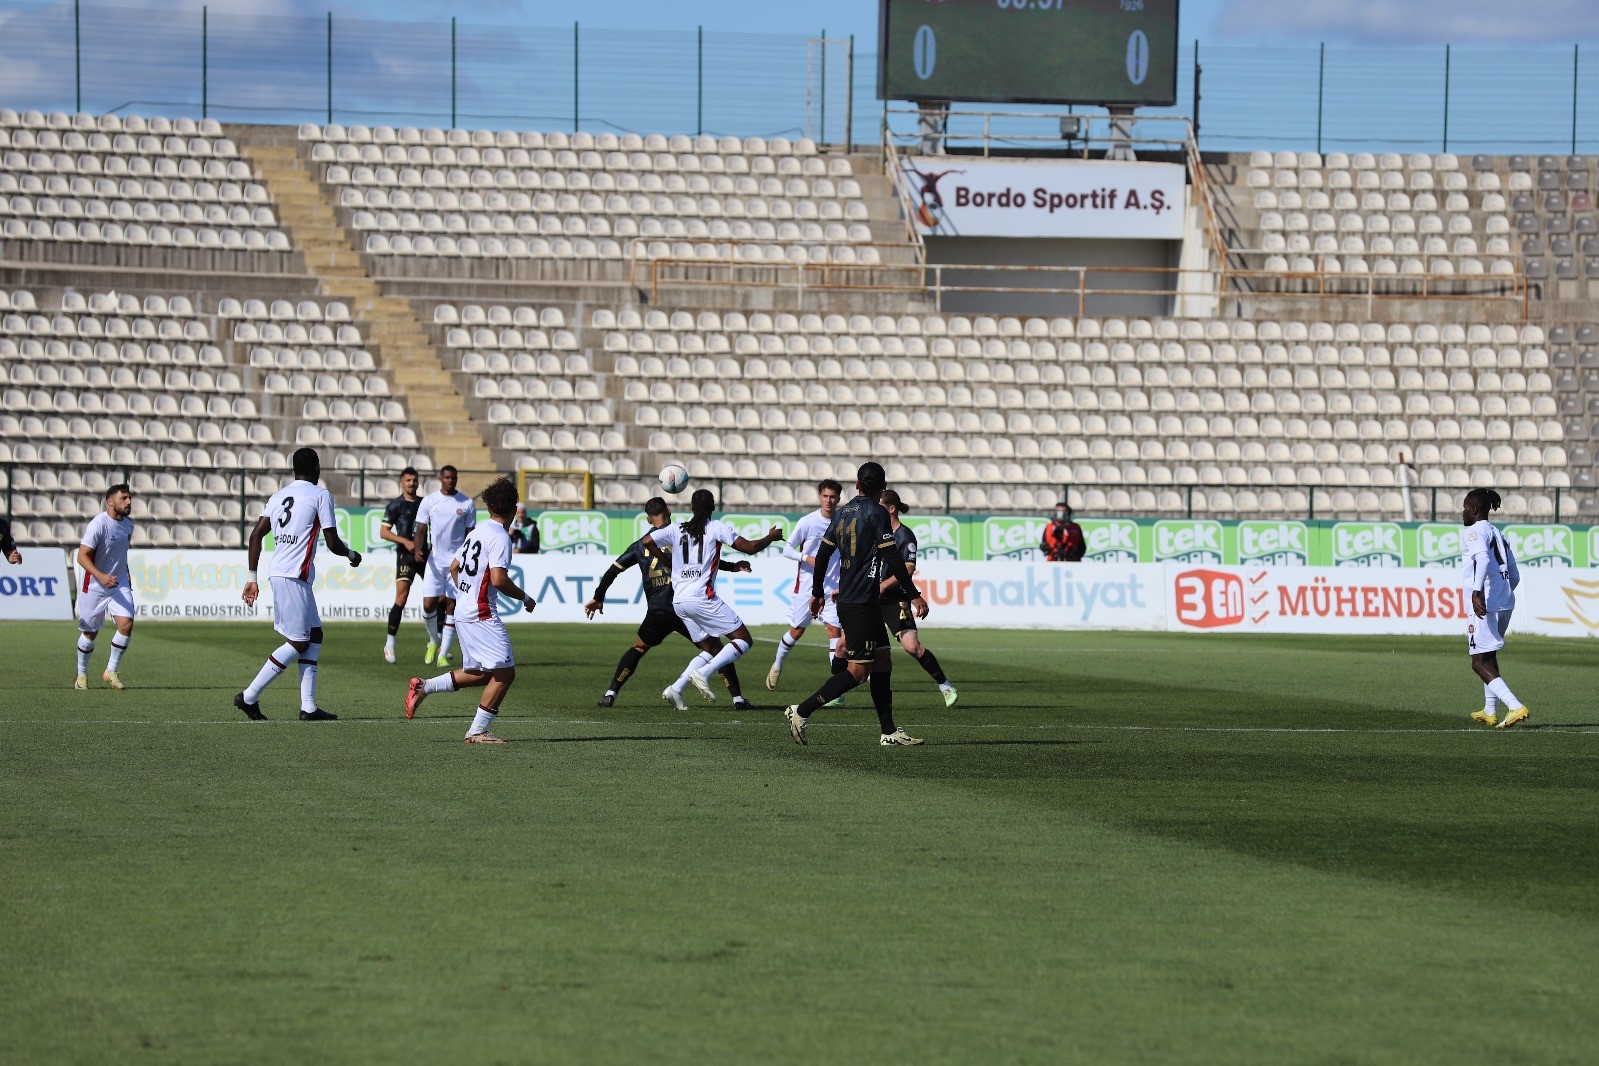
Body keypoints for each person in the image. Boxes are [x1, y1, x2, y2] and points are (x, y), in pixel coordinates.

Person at [784, 462, 930, 748]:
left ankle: (888, 732)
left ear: (856, 484)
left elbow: (823, 553)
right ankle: (801, 711)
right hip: (860, 602)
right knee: (858, 672)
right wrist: (913, 593)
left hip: (858, 599)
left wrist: (817, 592)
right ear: (883, 487)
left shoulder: (842, 512)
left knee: (884, 661)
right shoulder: (876, 512)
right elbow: (893, 558)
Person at [584, 496, 756, 710]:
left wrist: (599, 596)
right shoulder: (680, 534)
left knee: (638, 647)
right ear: (669, 511)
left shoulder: (639, 545)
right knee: (716, 649)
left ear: (648, 521)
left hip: (658, 611)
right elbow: (703, 560)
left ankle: (611, 693)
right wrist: (732, 567)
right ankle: (738, 699)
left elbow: (613, 570)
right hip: (685, 606)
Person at [406, 477, 538, 744]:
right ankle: (477, 730)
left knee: (482, 674)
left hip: (465, 613)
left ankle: (425, 686)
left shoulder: (476, 532)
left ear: (489, 507)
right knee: (505, 673)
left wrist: (464, 592)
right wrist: (525, 597)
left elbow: (454, 567)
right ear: (513, 508)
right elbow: (499, 579)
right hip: (481, 614)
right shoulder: (500, 537)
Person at [234, 447, 362, 721]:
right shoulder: (320, 495)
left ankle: (309, 707)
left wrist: (251, 578)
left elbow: (255, 536)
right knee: (299, 642)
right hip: (293, 574)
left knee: (314, 635)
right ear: (316, 468)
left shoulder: (279, 496)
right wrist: (351, 554)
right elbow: (332, 541)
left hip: (283, 572)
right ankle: (249, 696)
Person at [637, 488, 782, 710]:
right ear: (713, 508)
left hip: (680, 602)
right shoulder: (715, 528)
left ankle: (676, 688)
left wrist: (668, 560)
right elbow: (751, 548)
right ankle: (703, 674)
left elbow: (647, 540)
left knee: (709, 648)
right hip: (702, 598)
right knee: (743, 640)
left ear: (692, 508)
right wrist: (771, 537)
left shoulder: (677, 529)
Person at [879, 489, 958, 708]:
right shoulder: (873, 531)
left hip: (894, 598)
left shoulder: (905, 536)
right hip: (870, 596)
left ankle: (945, 685)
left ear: (891, 508)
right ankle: (838, 694)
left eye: (880, 507)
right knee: (842, 646)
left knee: (912, 646)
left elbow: (909, 567)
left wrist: (885, 585)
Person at [767, 479, 846, 695]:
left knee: (834, 631)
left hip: (833, 588)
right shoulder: (808, 522)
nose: (829, 500)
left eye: (833, 497)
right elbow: (787, 549)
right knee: (797, 631)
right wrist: (806, 558)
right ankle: (777, 665)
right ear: (820, 497)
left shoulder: (842, 522)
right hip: (807, 588)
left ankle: (835, 689)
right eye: (825, 496)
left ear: (839, 498)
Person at [1462, 488, 1530, 729]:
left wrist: (1477, 592)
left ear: (1474, 509)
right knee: (1488, 655)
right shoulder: (1499, 534)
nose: (1463, 512)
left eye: (1465, 507)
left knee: (1478, 662)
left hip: (1485, 605)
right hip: (1504, 603)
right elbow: (1515, 575)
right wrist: (1502, 594)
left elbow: (1481, 559)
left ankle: (1515, 706)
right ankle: (1490, 710)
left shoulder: (1473, 533)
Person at [73, 483, 136, 691]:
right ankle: (81, 675)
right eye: (123, 498)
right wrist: (101, 576)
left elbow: (119, 554)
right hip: (95, 584)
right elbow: (82, 556)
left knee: (126, 625)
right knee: (90, 633)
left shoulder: (129, 525)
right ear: (110, 501)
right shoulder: (98, 524)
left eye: (129, 498)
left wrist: (124, 574)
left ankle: (110, 671)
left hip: (119, 583)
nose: (128, 502)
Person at [414, 465, 476, 667]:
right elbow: (421, 529)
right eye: (447, 477)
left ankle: (443, 653)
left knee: (452, 605)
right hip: (434, 561)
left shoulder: (467, 503)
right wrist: (417, 549)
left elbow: (470, 533)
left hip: (456, 563)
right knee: (428, 604)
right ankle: (434, 640)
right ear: (441, 478)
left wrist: (466, 558)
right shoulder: (429, 501)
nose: (451, 480)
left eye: (453, 478)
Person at [378, 466, 422, 664]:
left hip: (425, 555)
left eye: (414, 480)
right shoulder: (395, 505)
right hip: (405, 556)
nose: (412, 483)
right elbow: (384, 532)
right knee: (402, 597)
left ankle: (439, 645)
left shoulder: (425, 503)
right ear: (401, 483)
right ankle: (389, 644)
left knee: (440, 598)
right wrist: (405, 541)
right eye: (408, 480)